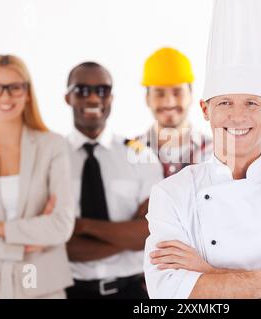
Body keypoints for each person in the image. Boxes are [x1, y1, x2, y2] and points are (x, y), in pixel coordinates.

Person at [144, 0, 261, 299]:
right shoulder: (171, 194)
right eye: (224, 103)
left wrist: (204, 271)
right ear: (205, 109)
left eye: (251, 103)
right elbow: (168, 295)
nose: (238, 117)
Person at [0, 55, 75, 299]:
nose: (5, 97)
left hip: (44, 286)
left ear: (28, 92)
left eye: (15, 87)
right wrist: (25, 245)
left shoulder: (53, 146)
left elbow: (61, 226)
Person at [64, 62, 163, 299]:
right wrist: (128, 237)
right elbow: (61, 247)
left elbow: (149, 233)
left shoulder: (140, 156)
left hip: (131, 292)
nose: (92, 98)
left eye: (102, 90)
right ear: (68, 97)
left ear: (112, 97)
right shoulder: (50, 159)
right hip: (71, 292)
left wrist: (81, 226)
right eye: (82, 90)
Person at [137, 47, 213, 178]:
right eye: (159, 93)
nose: (169, 102)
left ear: (190, 95)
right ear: (147, 99)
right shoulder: (129, 152)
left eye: (177, 92)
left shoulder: (215, 152)